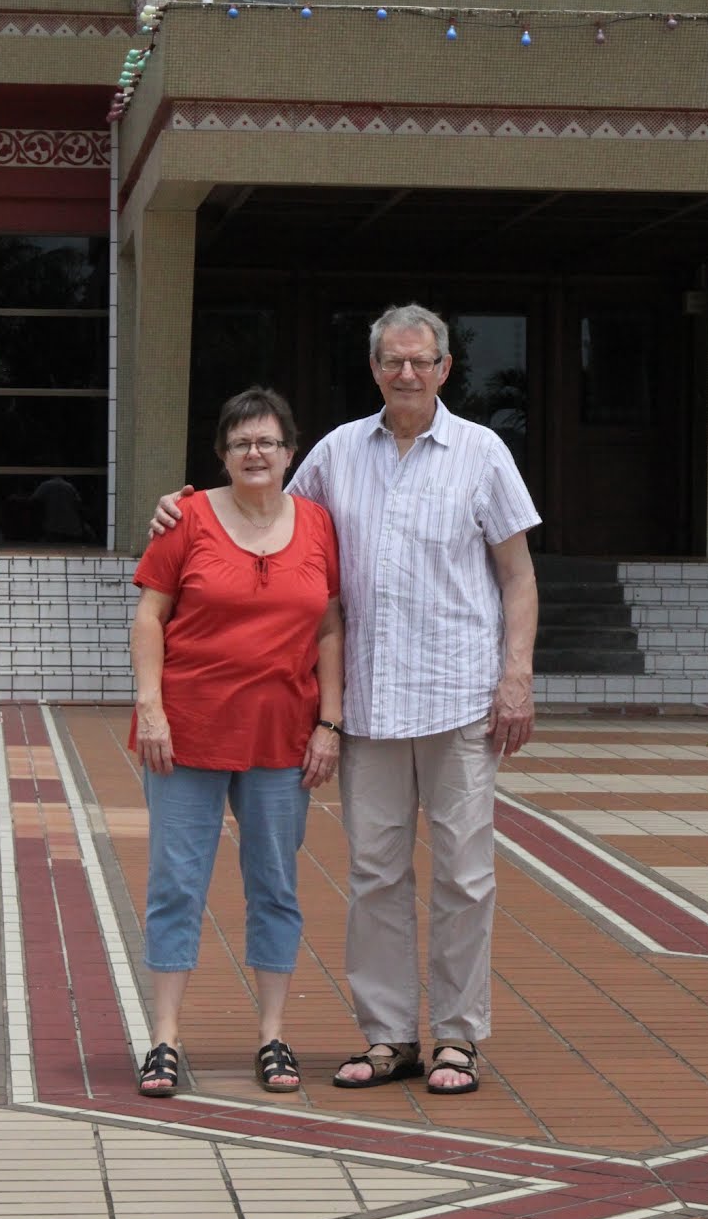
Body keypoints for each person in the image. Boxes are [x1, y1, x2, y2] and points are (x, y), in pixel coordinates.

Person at [150, 306, 539, 1095]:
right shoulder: (335, 453)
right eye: (392, 360)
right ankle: (389, 1034)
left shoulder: (482, 452)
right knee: (374, 876)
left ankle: (457, 1037)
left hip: (459, 698)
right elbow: (264, 513)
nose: (406, 373)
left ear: (444, 368)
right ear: (374, 368)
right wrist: (178, 507)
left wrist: (516, 676)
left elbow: (517, 574)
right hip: (371, 704)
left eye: (420, 361)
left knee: (465, 877)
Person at [131, 385, 343, 1098]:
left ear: (290, 452)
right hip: (184, 733)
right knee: (175, 885)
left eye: (268, 442)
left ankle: (273, 1035)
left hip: (282, 734)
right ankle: (164, 1039)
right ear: (222, 454)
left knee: (275, 886)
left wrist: (330, 723)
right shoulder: (184, 518)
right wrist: (150, 708)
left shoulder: (317, 524)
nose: (255, 453)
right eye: (241, 442)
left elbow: (330, 627)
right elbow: (149, 617)